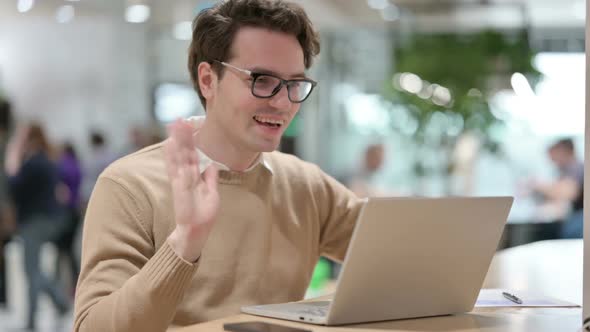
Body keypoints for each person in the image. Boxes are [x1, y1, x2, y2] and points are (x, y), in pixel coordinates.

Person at [73, 1, 363, 331]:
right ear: (208, 80)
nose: (283, 103)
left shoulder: (306, 185)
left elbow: (399, 252)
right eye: (262, 80)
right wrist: (184, 243)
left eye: (294, 84)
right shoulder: (130, 186)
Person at [5, 124, 69, 330]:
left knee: (31, 271)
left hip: (35, 222)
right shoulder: (45, 159)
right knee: (34, 270)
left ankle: (38, 316)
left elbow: (13, 186)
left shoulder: (34, 162)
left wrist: (12, 159)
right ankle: (58, 304)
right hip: (44, 220)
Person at [532, 138, 583, 238]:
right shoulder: (564, 171)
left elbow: (568, 193)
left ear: (565, 152)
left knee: (566, 230)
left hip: (581, 217)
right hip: (573, 215)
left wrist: (538, 185)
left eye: (554, 157)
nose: (553, 162)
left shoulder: (576, 167)